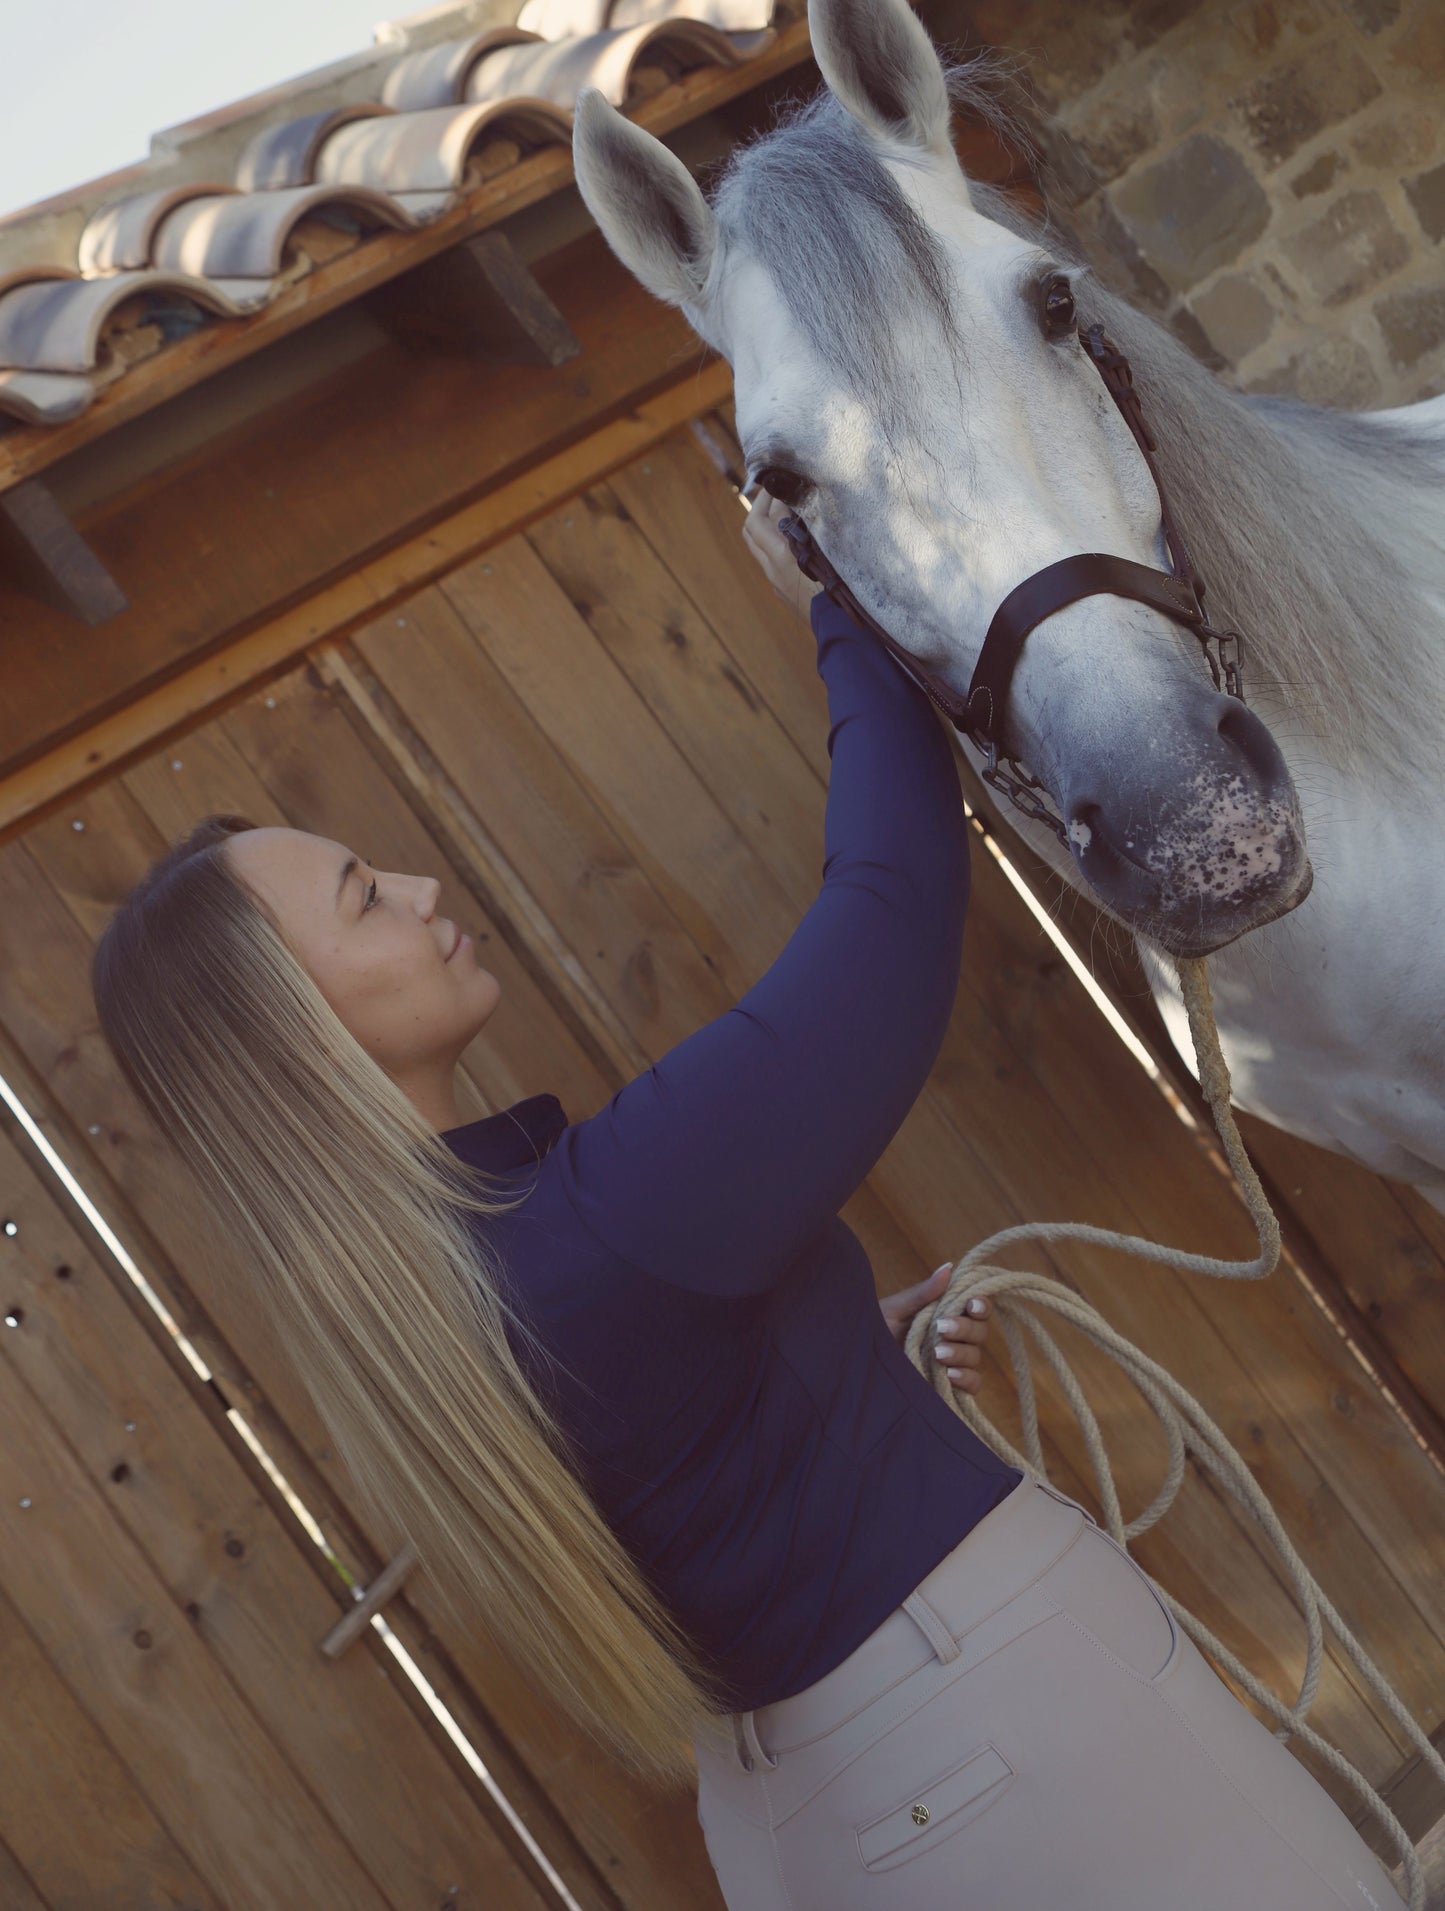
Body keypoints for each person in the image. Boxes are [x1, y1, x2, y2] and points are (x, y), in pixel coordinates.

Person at [91, 491, 1403, 1911]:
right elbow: (891, 907)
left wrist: (841, 1366)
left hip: (812, 1818)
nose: (414, 887)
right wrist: (842, 597)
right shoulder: (604, 1226)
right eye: (360, 899)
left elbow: (694, 1473)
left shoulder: (443, 1297)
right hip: (990, 1729)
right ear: (300, 1033)